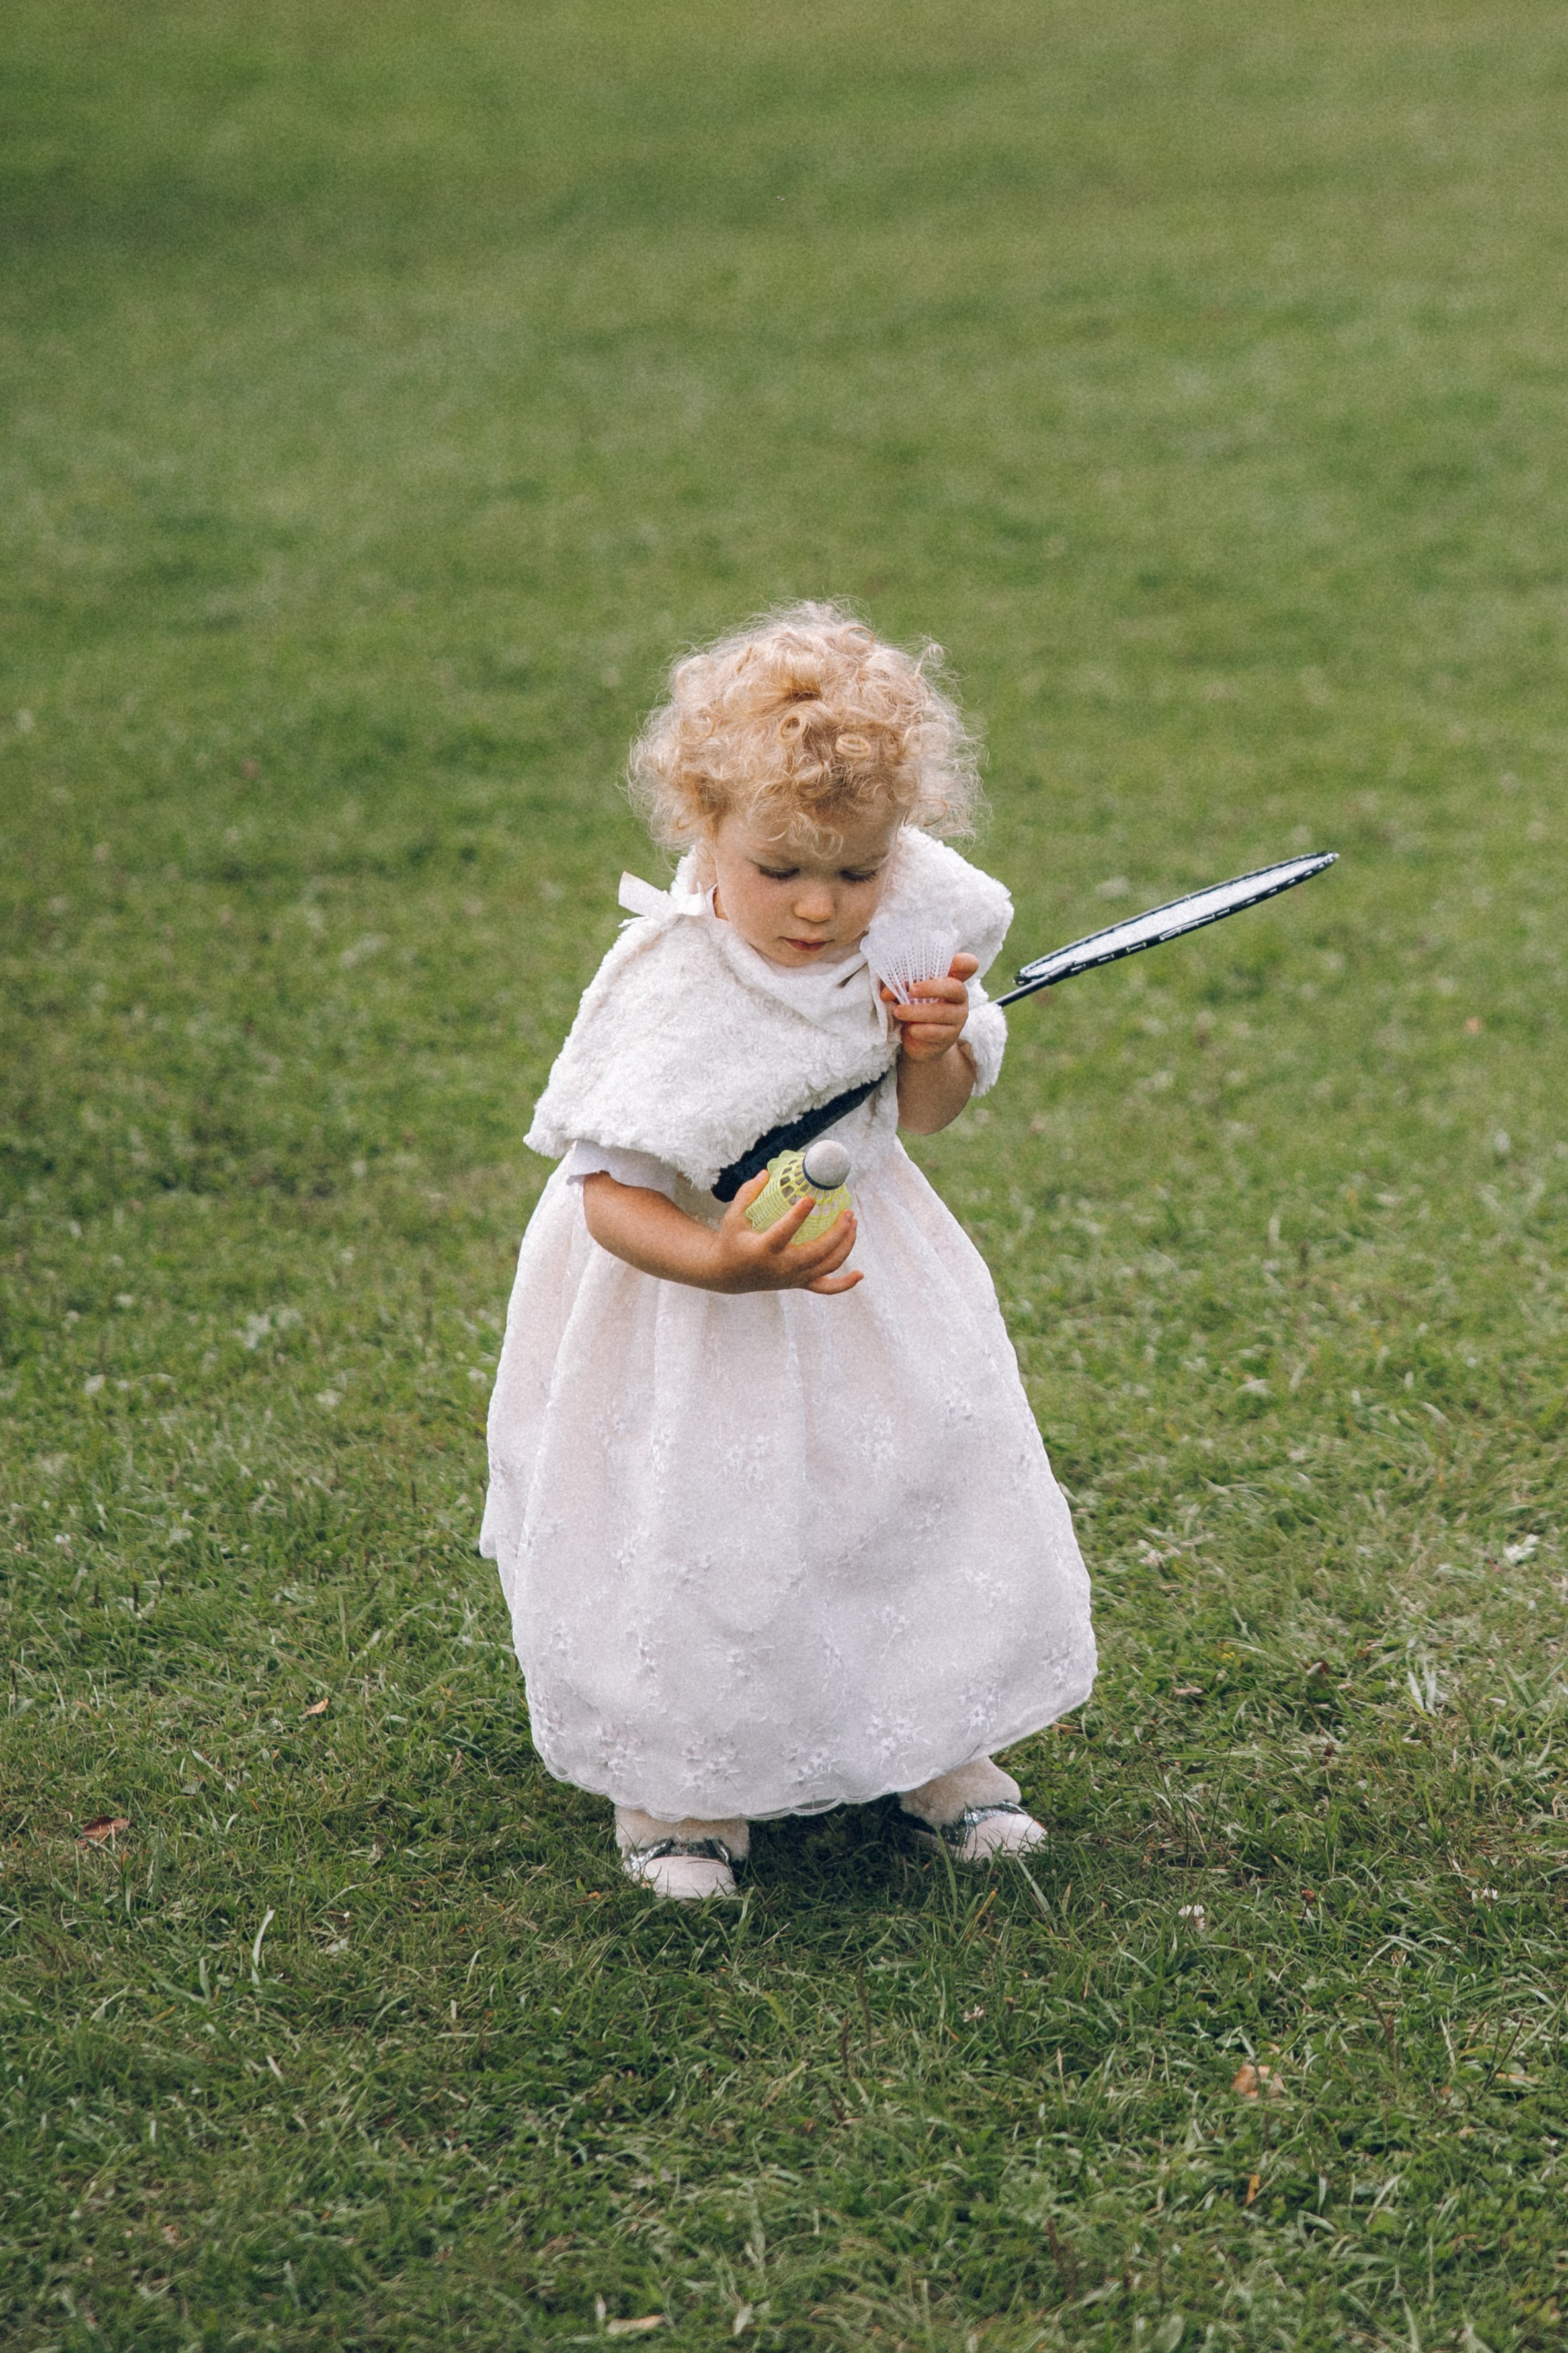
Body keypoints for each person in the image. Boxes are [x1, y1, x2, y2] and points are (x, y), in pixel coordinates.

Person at [480, 604, 1095, 1899]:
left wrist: (933, 1048)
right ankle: (682, 1788)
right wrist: (725, 1264)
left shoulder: (901, 930)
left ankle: (929, 1742)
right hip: (687, 1298)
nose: (820, 906)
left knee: (904, 1491)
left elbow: (924, 1116)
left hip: (866, 1280)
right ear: (703, 826)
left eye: (857, 873)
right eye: (781, 870)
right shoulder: (669, 984)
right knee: (705, 1528)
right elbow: (607, 1196)